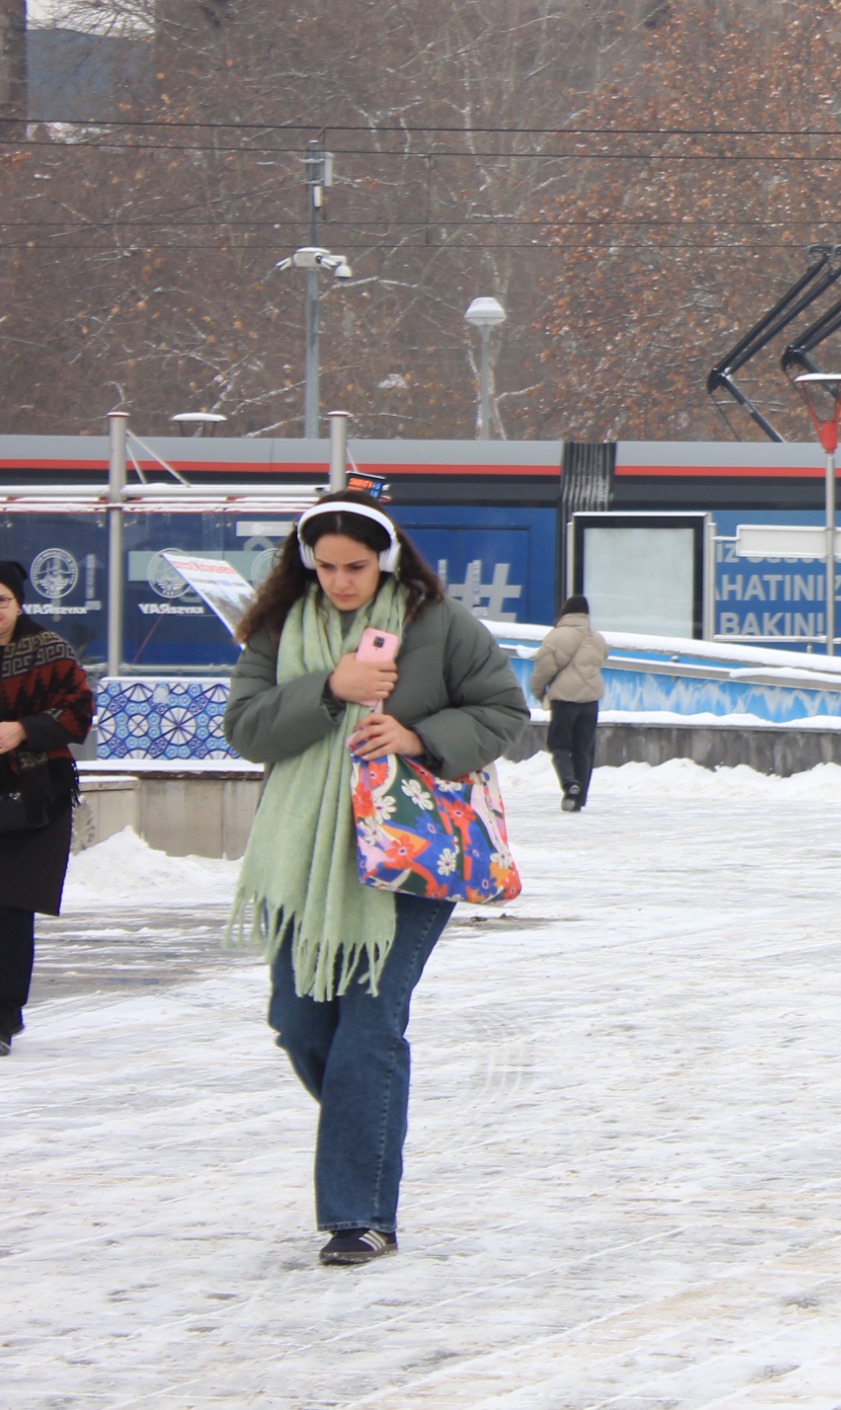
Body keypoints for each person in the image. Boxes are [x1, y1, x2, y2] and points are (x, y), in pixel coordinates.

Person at [223, 491, 529, 1265]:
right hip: (303, 857)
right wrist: (332, 690)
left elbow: (504, 710)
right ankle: (366, 1123)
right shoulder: (276, 630)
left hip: (410, 854)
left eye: (355, 567)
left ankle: (358, 1215)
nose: (340, 581)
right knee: (298, 1020)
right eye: (326, 567)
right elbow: (246, 729)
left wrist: (418, 735)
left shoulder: (439, 624)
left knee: (368, 1025)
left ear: (385, 561)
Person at [0, 559, 96, 1056]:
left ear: (19, 604)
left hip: (35, 798)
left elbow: (79, 712)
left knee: (11, 906)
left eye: (2, 601)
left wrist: (23, 730)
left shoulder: (50, 650)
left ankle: (3, 1014)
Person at [530, 594, 609, 812]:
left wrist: (539, 692)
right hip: (590, 701)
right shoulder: (597, 639)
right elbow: (602, 659)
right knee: (584, 750)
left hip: (565, 701)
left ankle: (569, 783)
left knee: (560, 746)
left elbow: (543, 668)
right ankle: (578, 799)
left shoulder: (556, 637)